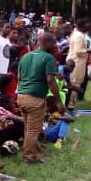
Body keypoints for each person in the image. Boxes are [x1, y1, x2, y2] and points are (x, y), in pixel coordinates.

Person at [15, 32, 63, 164]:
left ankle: (31, 152)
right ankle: (29, 158)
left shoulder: (25, 56)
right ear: (46, 43)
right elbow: (50, 80)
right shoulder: (48, 58)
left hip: (21, 96)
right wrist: (58, 101)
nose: (55, 45)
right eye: (53, 42)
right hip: (35, 98)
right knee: (32, 130)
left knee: (27, 128)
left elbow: (19, 77)